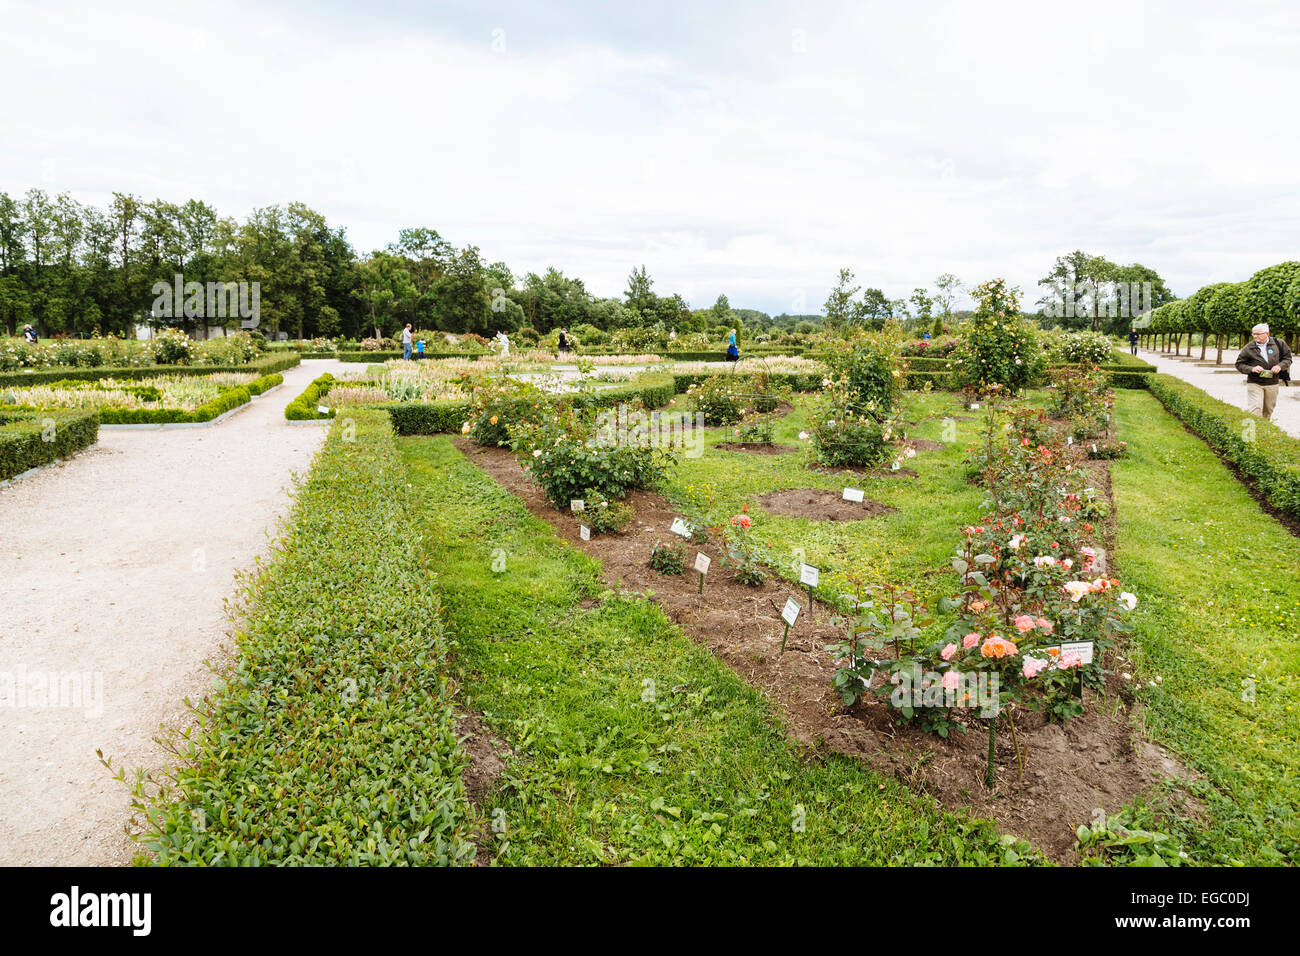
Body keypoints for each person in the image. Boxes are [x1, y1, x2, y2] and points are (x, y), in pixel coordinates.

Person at [1235, 323, 1292, 421]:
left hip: (1272, 383)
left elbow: (1288, 359)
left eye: (1258, 334)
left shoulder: (1279, 343)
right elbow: (1239, 364)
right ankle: (1256, 430)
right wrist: (1251, 369)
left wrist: (1280, 366)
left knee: (1268, 410)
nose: (1255, 336)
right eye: (1254, 334)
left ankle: (1263, 430)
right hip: (1255, 383)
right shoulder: (1249, 347)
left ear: (1267, 333)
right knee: (1255, 408)